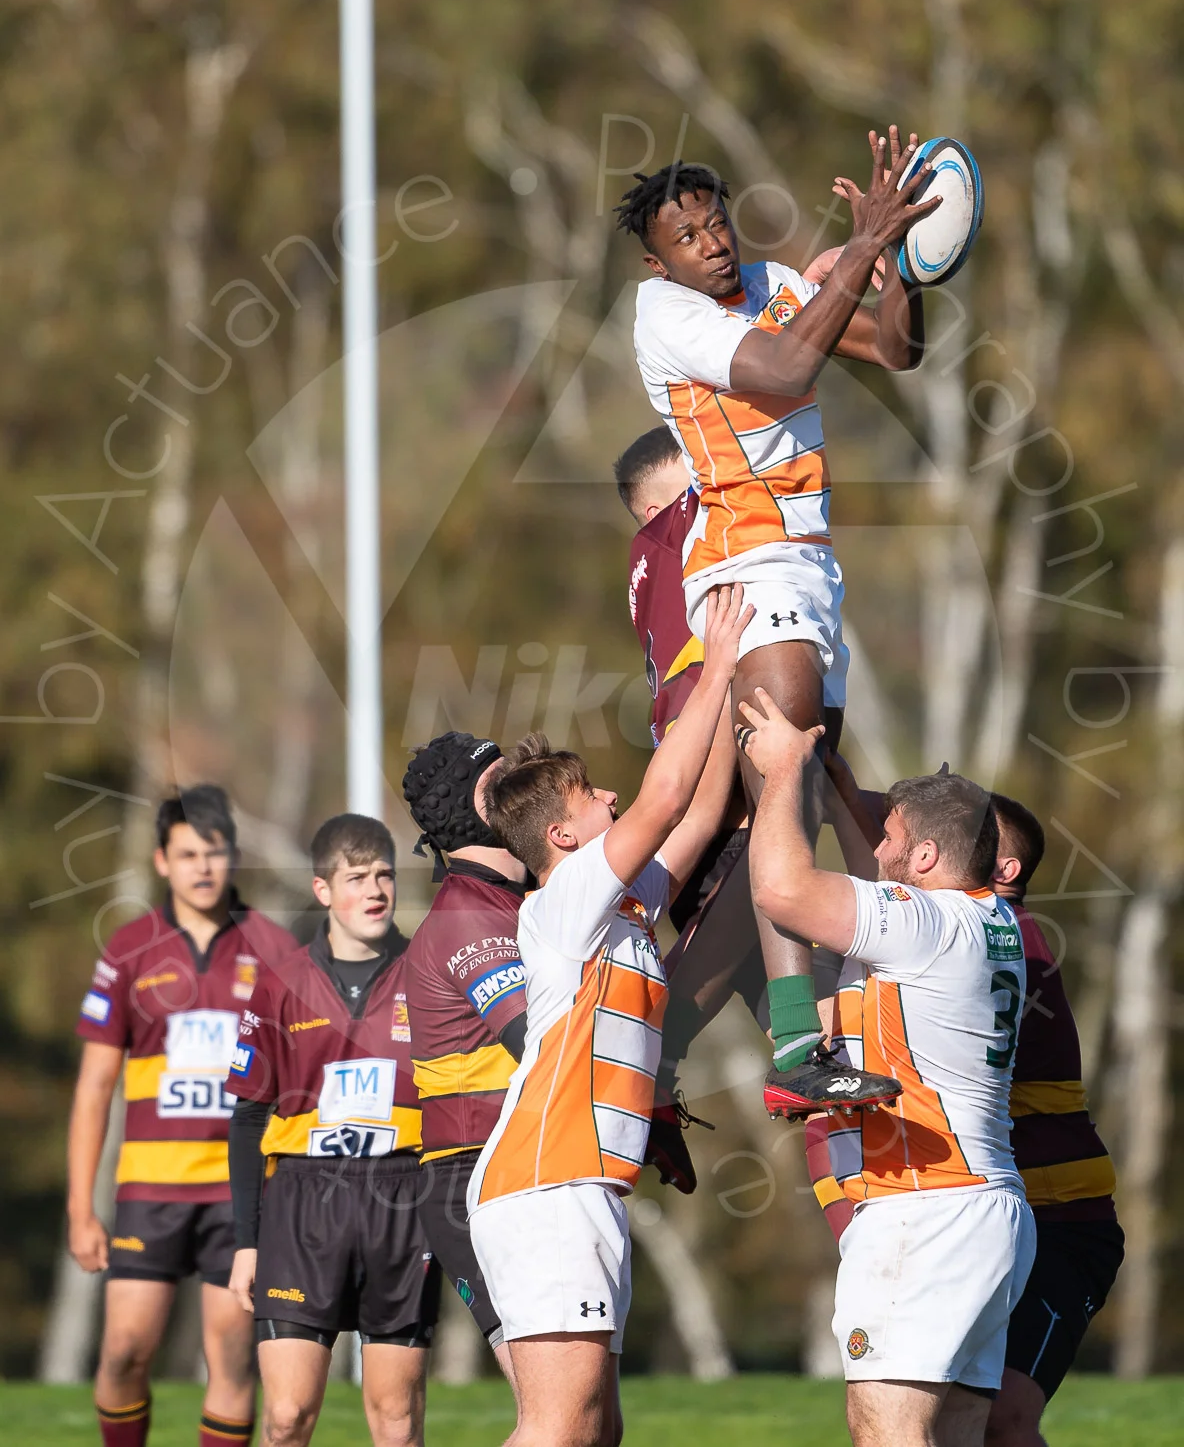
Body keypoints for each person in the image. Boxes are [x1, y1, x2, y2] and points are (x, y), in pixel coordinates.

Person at [617, 132, 937, 1113]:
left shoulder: (772, 278)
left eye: (717, 222)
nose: (711, 244)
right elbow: (787, 371)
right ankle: (802, 1039)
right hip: (746, 564)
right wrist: (862, 247)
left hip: (808, 562)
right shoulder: (662, 312)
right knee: (793, 767)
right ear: (656, 258)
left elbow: (897, 348)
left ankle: (667, 1056)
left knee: (787, 800)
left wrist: (897, 263)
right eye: (688, 235)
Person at [467, 586, 751, 1447]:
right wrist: (721, 659)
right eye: (591, 794)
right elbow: (666, 797)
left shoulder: (615, 905)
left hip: (578, 1183)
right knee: (557, 1430)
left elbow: (696, 814)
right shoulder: (567, 899)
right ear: (560, 835)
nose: (613, 797)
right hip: (547, 1181)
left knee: (596, 1432)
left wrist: (743, 717)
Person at [737, 691, 1035, 1447]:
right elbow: (886, 868)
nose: (878, 850)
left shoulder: (926, 924)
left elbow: (781, 890)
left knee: (887, 1434)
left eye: (892, 838)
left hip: (925, 1210)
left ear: (926, 860)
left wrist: (779, 773)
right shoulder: (990, 918)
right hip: (987, 1205)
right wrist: (834, 787)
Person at [68, 785, 297, 1447]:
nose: (203, 867)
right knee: (123, 1353)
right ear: (162, 861)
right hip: (149, 1191)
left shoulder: (276, 950)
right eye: (188, 853)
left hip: (241, 1195)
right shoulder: (128, 951)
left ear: (234, 857)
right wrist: (82, 1207)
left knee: (229, 1359)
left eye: (215, 852)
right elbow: (94, 1086)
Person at [225, 815, 439, 1447]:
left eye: (385, 876)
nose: (375, 890)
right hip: (301, 1203)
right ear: (323, 890)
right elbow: (246, 1118)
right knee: (287, 1417)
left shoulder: (429, 976)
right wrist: (245, 1242)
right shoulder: (279, 982)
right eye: (356, 878)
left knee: (395, 1422)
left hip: (404, 1197)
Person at [985, 795, 1124, 1447]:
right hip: (988, 1220)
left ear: (1004, 868)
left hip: (1062, 1220)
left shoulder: (1009, 937)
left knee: (1005, 1422)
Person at [400, 732, 529, 1385]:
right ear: (472, 809)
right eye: (503, 781)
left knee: (590, 1422)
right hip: (474, 1178)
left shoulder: (520, 900)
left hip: (522, 1166)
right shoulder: (466, 919)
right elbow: (539, 1041)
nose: (525, 790)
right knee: (559, 1421)